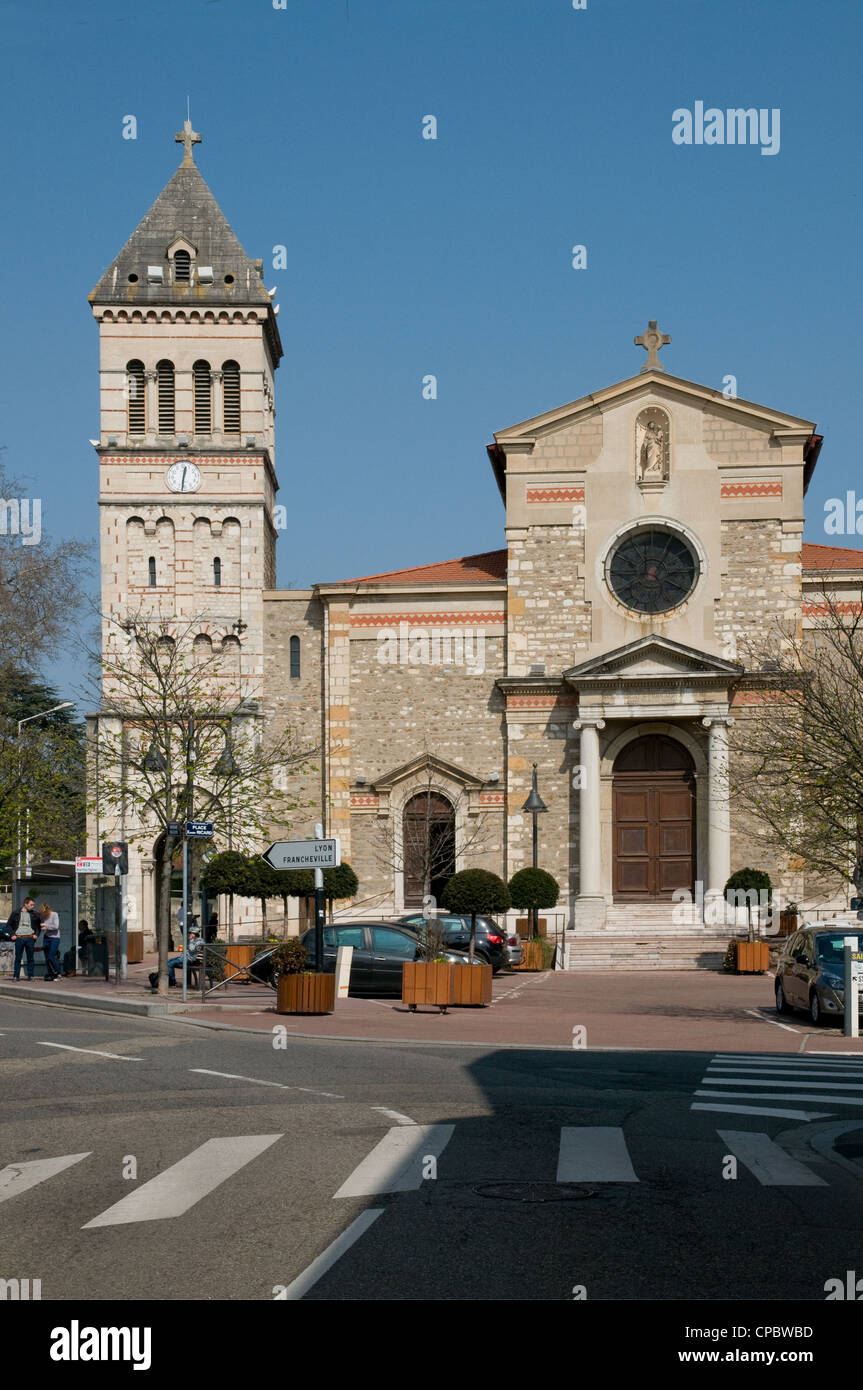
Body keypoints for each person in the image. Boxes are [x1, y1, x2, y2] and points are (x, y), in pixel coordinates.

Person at [7, 897, 40, 981]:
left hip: (30, 938)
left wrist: (36, 934)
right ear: (25, 904)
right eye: (31, 905)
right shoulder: (16, 913)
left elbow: (39, 925)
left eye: (33, 905)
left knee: (30, 958)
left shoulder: (34, 914)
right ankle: (16, 976)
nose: (32, 906)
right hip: (19, 938)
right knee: (18, 957)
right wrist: (12, 935)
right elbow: (9, 925)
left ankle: (30, 976)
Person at [38, 902, 62, 981]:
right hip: (46, 937)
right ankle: (51, 973)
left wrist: (46, 926)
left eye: (45, 913)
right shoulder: (42, 916)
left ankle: (58, 973)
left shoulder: (54, 914)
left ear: (48, 910)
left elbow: (56, 926)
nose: (44, 914)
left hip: (55, 938)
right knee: (47, 957)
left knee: (52, 956)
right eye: (42, 913)